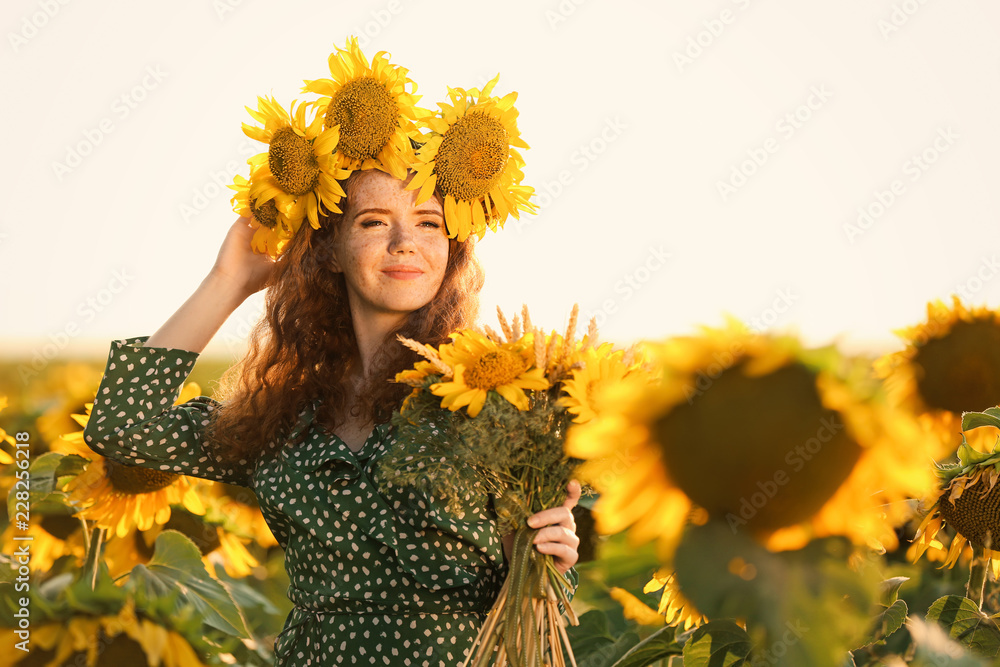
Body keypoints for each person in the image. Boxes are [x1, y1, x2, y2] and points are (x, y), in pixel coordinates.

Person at [82, 166, 582, 666]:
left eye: (429, 223)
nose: (405, 242)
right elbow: (122, 428)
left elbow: (536, 614)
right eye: (373, 222)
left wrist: (546, 560)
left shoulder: (493, 402)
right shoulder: (282, 417)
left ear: (452, 249)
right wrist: (228, 281)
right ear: (329, 249)